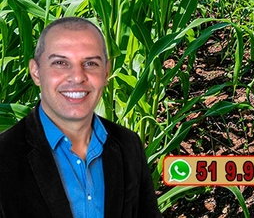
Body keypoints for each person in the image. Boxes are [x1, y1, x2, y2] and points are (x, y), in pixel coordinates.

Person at [0, 17, 161, 218]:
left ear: (106, 72)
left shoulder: (128, 145)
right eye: (60, 63)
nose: (77, 77)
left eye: (90, 63)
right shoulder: (4, 156)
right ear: (36, 72)